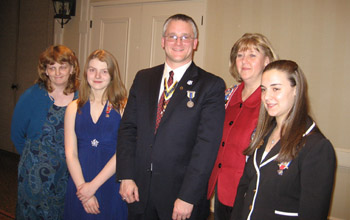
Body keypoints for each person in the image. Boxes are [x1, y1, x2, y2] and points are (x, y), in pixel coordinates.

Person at [116, 14, 226, 220]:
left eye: (185, 37)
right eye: (172, 36)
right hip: (138, 191)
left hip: (180, 198)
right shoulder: (143, 78)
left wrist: (188, 196)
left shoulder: (211, 85)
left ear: (195, 43)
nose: (178, 42)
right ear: (163, 41)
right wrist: (126, 174)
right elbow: (128, 129)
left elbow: (206, 147)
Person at [231, 60, 336, 220]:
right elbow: (244, 188)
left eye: (276, 89)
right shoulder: (263, 133)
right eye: (264, 89)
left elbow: (313, 214)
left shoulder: (316, 147)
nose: (267, 97)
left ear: (296, 90)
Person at [207, 33, 278, 220]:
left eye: (252, 55)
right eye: (240, 55)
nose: (244, 61)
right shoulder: (226, 96)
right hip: (221, 191)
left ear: (267, 61)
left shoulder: (271, 103)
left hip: (251, 195)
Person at [11, 45, 79, 219]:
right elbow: (16, 135)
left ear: (72, 69)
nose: (58, 72)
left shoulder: (81, 99)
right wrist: (34, 160)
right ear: (45, 71)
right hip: (33, 176)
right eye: (52, 67)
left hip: (65, 176)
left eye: (63, 67)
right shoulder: (32, 95)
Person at [64, 49, 128, 219]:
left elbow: (123, 152)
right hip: (80, 181)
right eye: (92, 70)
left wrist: (92, 187)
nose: (97, 75)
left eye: (104, 71)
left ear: (113, 75)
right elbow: (70, 153)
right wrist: (83, 189)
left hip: (110, 182)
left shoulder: (123, 108)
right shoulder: (73, 108)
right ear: (86, 74)